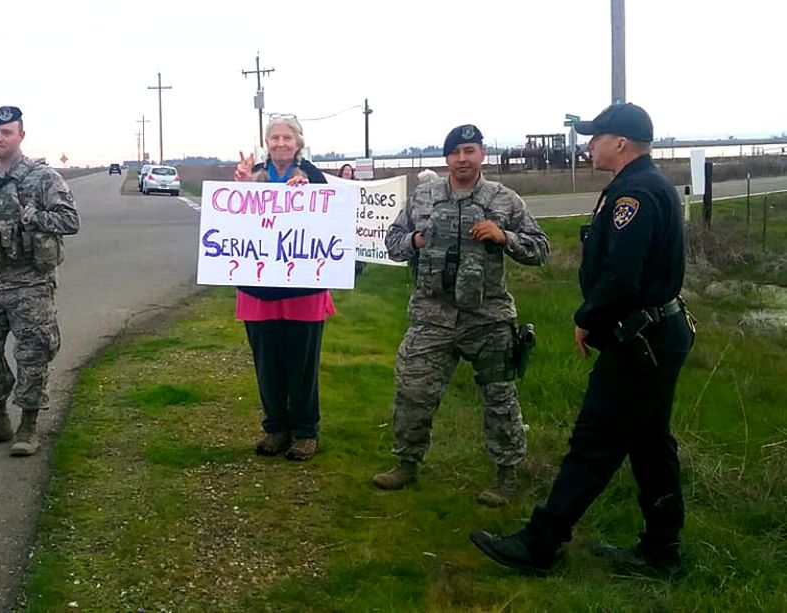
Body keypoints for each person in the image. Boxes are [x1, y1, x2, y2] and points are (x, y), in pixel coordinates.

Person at [471, 103, 695, 577]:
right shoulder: (645, 185)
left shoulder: (635, 194)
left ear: (621, 142)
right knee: (651, 444)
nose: (588, 144)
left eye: (596, 137)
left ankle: (541, 542)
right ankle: (662, 550)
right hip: (657, 333)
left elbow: (622, 275)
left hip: (641, 340)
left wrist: (588, 318)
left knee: (594, 443)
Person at [372, 124, 550, 507]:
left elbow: (540, 248)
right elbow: (391, 243)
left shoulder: (504, 200)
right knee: (413, 391)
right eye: (455, 152)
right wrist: (414, 241)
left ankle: (506, 474)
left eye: (469, 150)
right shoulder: (423, 197)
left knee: (500, 397)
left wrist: (505, 237)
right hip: (431, 315)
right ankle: (407, 464)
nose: (462, 159)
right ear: (446, 158)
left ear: (481, 154)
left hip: (487, 317)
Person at [0, 106, 80, 456]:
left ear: (21, 136)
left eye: (6, 132)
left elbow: (70, 221)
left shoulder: (42, 177)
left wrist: (33, 217)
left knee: (33, 354)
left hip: (30, 284)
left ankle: (28, 427)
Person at [233, 114, 333, 461]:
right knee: (267, 363)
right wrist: (243, 186)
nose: (280, 144)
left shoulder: (315, 177)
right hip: (259, 291)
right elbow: (237, 221)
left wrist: (308, 197)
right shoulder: (252, 176)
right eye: (274, 138)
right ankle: (276, 428)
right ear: (266, 142)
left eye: (286, 138)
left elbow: (328, 219)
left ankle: (306, 431)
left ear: (298, 142)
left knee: (301, 365)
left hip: (303, 292)